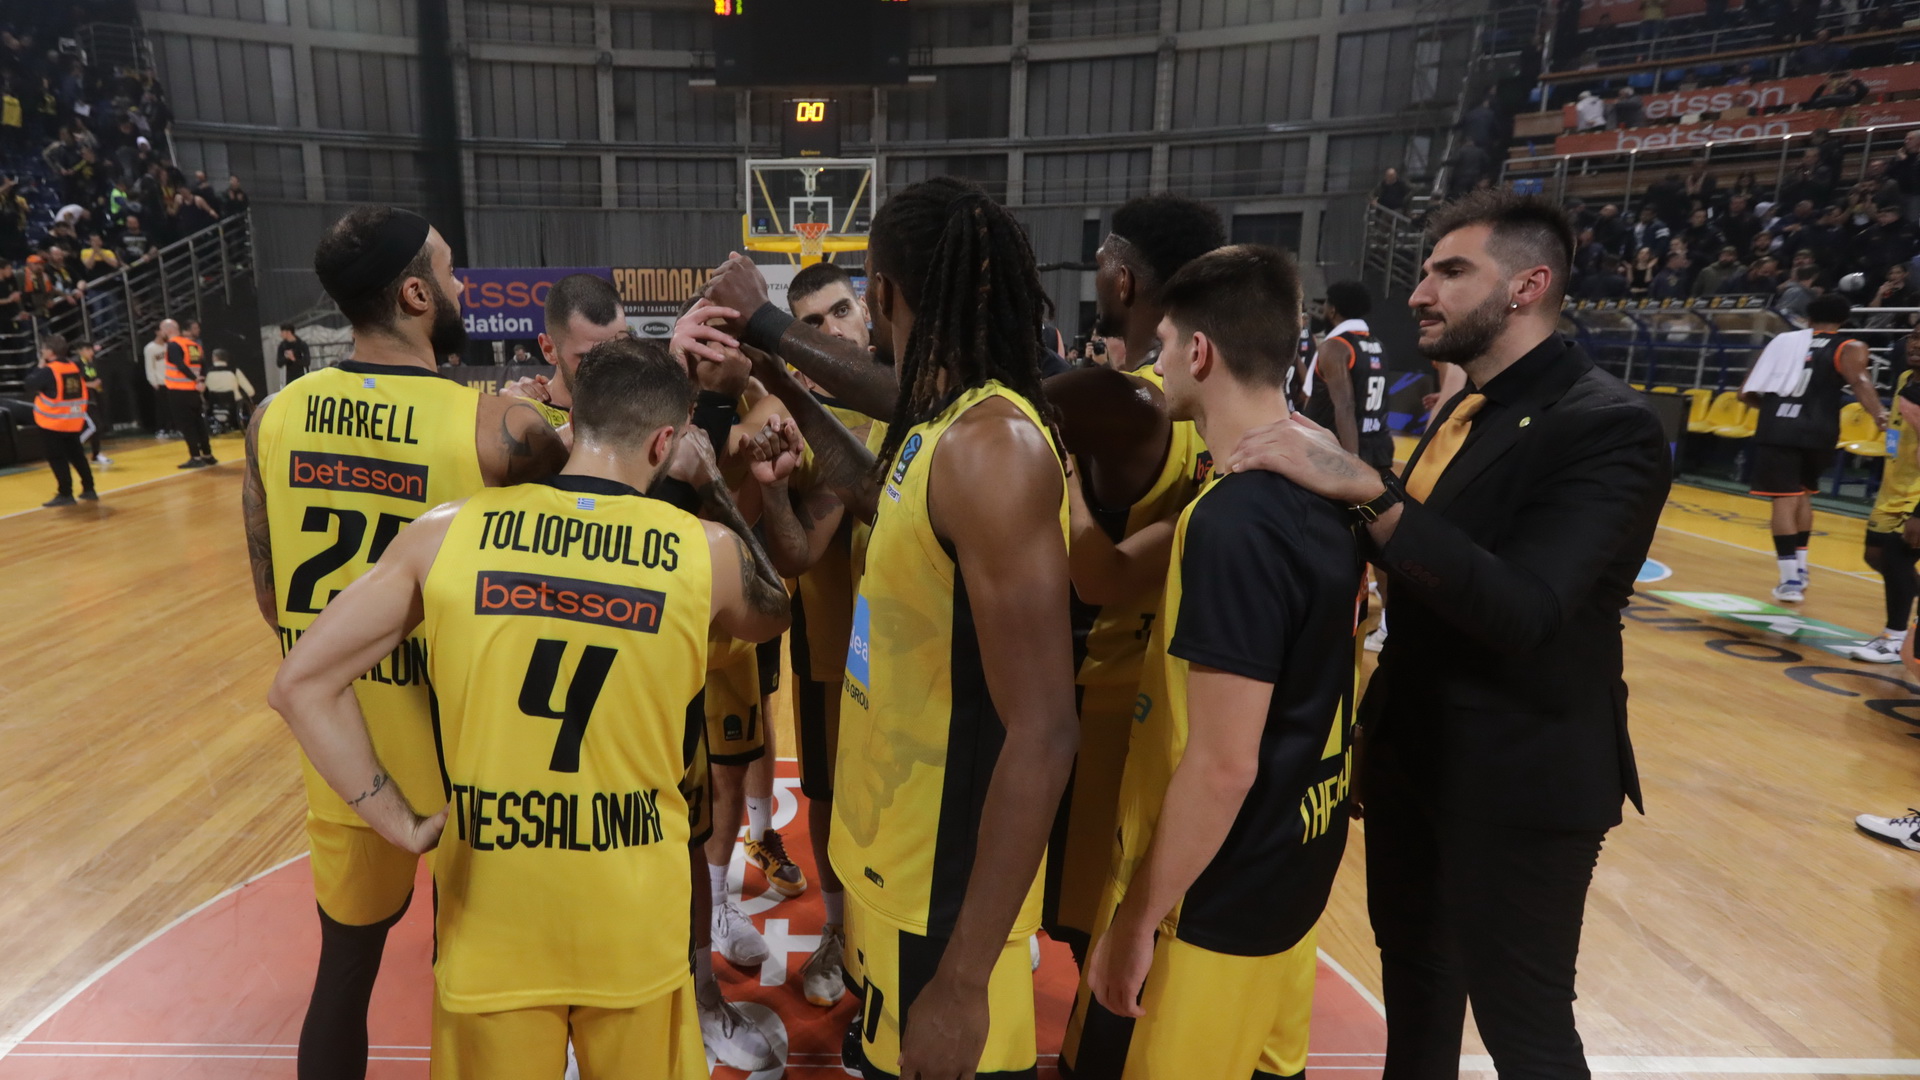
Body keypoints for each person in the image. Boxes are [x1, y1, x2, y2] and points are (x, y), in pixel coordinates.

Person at [1227, 190, 1671, 1079]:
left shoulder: (1607, 425)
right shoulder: (1469, 407)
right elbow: (1421, 562)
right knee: (1416, 997)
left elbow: (1526, 610)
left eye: (1451, 272)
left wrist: (1371, 494)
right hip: (1415, 758)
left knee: (1526, 1031)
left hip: (1521, 779)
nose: (1421, 292)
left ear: (1527, 286)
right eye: (1427, 269)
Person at [268, 337, 789, 1080]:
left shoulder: (444, 532)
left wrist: (401, 823)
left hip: (493, 913)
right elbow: (774, 609)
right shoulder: (703, 550)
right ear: (664, 444)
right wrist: (711, 487)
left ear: (573, 422)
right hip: (632, 917)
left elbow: (299, 684)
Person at [705, 176, 1080, 1080]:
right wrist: (774, 380)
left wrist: (964, 980)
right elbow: (873, 489)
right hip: (895, 858)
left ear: (880, 293)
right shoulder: (938, 429)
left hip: (941, 894)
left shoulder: (993, 447)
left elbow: (1043, 732)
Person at [241, 205, 568, 1080]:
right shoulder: (499, 427)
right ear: (417, 295)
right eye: (450, 272)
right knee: (475, 983)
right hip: (469, 748)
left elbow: (273, 597)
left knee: (344, 975)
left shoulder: (274, 417)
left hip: (341, 742)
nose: (462, 288)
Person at [1061, 243, 1361, 1080]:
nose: (1154, 364)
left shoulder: (1234, 523)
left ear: (1199, 352)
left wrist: (1135, 923)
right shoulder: (1334, 484)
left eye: (1162, 346)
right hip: (1294, 874)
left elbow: (1225, 765)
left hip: (1209, 905)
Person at [1741, 294, 1885, 603]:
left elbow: (1745, 393)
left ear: (1808, 318)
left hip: (1779, 430)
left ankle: (1789, 579)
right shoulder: (1850, 346)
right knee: (1803, 494)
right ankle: (1802, 569)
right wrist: (1880, 416)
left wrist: (1773, 411)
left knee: (1784, 501)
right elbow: (1860, 381)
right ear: (1844, 320)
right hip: (1819, 430)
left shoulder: (1782, 343)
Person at [1841, 329, 1920, 663]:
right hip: (1893, 487)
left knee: (1897, 557)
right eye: (1915, 336)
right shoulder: (1905, 378)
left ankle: (1893, 638)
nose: (1916, 344)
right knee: (1875, 555)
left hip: (1916, 494)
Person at [501, 273, 630, 433]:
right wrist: (509, 418)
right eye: (588, 358)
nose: (607, 369)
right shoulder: (524, 413)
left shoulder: (642, 408)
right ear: (549, 350)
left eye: (617, 352)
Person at [1305, 281, 1395, 470]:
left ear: (1333, 310)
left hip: (1338, 448)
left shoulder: (1336, 347)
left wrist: (1351, 462)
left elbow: (1345, 406)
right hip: (1378, 445)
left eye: (1326, 304)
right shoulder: (1378, 345)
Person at [26, 334, 96, 507]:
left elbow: (29, 384)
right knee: (77, 456)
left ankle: (65, 493)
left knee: (57, 458)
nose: (42, 352)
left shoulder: (49, 370)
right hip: (72, 420)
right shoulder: (73, 366)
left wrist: (40, 365)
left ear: (50, 351)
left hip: (52, 422)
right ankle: (89, 488)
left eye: (43, 349)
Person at [159, 316, 216, 467]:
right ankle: (208, 454)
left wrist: (195, 379)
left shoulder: (173, 345)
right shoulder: (193, 345)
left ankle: (195, 457)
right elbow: (203, 366)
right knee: (199, 424)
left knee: (187, 425)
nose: (160, 333)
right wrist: (200, 381)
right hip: (194, 392)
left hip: (179, 391)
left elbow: (180, 366)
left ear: (168, 330)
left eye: (161, 330)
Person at [74, 339, 109, 466]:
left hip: (93, 398)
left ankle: (96, 454)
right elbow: (74, 382)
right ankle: (72, 448)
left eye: (91, 349)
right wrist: (90, 385)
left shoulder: (91, 363)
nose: (91, 352)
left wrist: (97, 386)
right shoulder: (76, 364)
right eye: (88, 350)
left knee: (97, 427)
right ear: (80, 351)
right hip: (82, 401)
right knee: (94, 426)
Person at [204, 347, 256, 429]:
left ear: (214, 358)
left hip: (213, 403)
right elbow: (251, 391)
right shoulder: (234, 371)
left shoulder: (208, 373)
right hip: (234, 404)